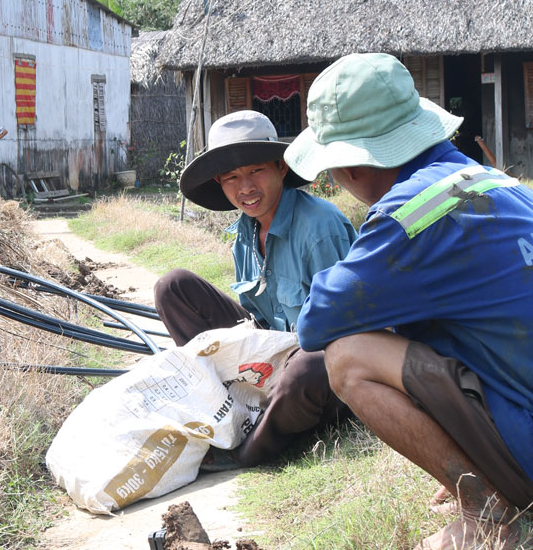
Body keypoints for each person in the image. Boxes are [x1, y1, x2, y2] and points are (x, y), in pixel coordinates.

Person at [285, 53, 533, 550]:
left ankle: (485, 511)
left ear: (349, 165)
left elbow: (316, 324)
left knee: (349, 355)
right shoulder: (499, 184)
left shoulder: (410, 216)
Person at [154, 110, 357, 469]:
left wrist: (284, 363)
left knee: (308, 367)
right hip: (272, 358)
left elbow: (346, 331)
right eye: (231, 177)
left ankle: (249, 450)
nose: (245, 188)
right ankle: (227, 411)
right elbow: (256, 318)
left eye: (255, 171)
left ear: (280, 167)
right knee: (174, 286)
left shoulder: (320, 226)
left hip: (325, 373)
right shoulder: (244, 234)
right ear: (219, 182)